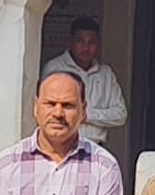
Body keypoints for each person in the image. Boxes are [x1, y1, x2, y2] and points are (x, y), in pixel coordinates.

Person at [42, 17, 127, 147]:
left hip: (95, 146)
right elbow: (47, 108)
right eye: (80, 41)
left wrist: (86, 114)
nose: (86, 48)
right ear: (70, 42)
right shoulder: (55, 68)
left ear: (98, 44)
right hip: (60, 145)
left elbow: (120, 115)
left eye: (91, 42)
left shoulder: (106, 74)